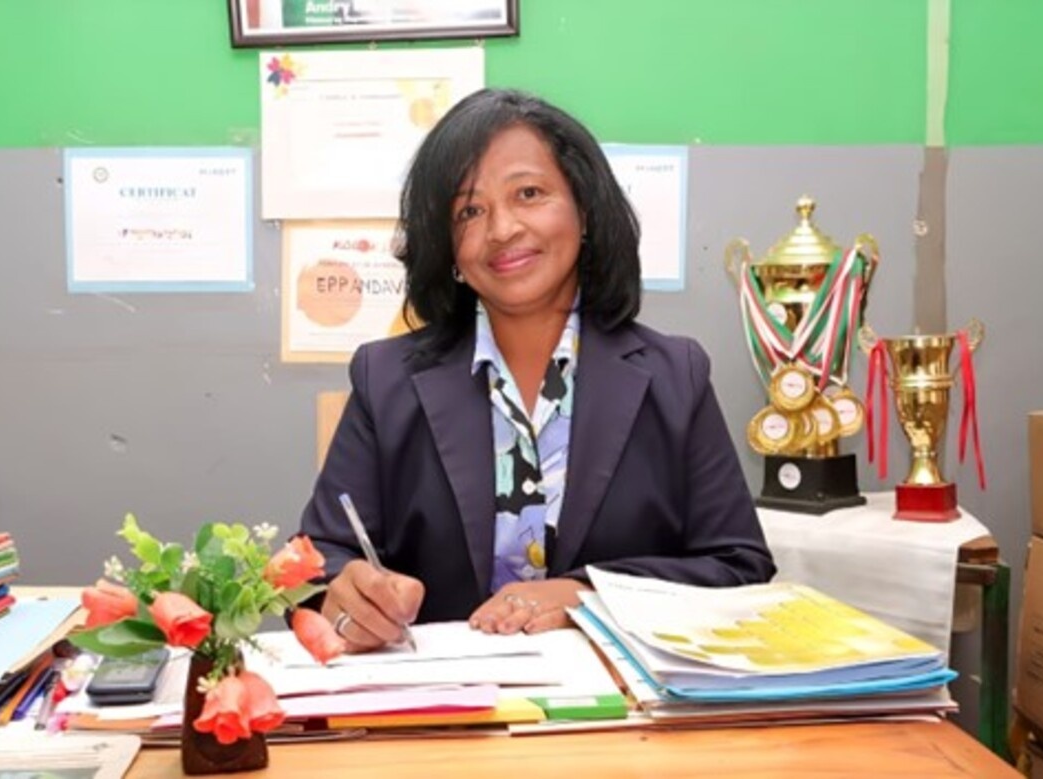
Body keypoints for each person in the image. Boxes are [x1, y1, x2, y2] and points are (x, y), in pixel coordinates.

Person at [299, 87, 775, 652]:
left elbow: (740, 569)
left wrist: (589, 596)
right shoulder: (386, 378)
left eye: (529, 193)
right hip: (450, 708)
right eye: (469, 211)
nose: (501, 229)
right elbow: (316, 563)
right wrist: (341, 597)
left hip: (621, 714)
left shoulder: (675, 375)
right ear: (448, 247)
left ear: (585, 209)